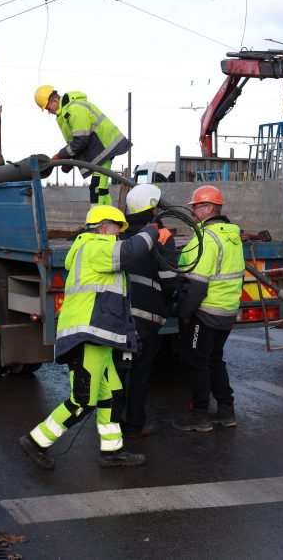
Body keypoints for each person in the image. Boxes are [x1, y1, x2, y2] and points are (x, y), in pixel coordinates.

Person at [19, 205, 161, 469]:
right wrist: (152, 232)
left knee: (112, 395)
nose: (120, 236)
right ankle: (36, 441)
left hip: (100, 338)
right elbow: (130, 253)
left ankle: (112, 451)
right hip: (87, 337)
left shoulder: (96, 249)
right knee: (83, 401)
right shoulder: (94, 247)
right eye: (118, 229)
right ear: (103, 227)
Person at [172, 185, 244, 432]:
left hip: (205, 313)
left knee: (197, 362)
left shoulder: (206, 238)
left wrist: (184, 313)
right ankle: (226, 409)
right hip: (226, 311)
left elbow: (196, 285)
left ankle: (200, 415)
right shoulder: (231, 235)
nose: (193, 213)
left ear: (209, 208)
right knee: (215, 360)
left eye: (196, 207)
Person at [117, 184, 179, 440]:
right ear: (154, 207)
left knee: (118, 374)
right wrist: (174, 298)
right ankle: (134, 425)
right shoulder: (162, 235)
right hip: (147, 318)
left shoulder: (119, 234)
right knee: (140, 374)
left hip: (119, 317)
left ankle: (111, 426)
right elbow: (169, 279)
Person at [34, 85, 131, 206]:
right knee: (101, 188)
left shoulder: (75, 110)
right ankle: (110, 220)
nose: (49, 111)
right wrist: (68, 160)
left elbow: (81, 141)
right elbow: (77, 142)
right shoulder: (67, 113)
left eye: (48, 108)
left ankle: (98, 222)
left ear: (55, 101)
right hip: (100, 150)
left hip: (104, 150)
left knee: (96, 188)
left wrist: (60, 156)